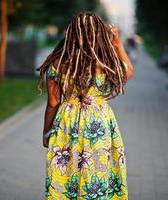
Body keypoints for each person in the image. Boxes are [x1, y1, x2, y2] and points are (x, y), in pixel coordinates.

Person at [37, 12, 134, 199]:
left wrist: (46, 132)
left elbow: (53, 103)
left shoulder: (59, 62)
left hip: (67, 125)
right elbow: (128, 71)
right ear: (100, 34)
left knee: (66, 176)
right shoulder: (106, 62)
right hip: (99, 124)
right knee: (96, 176)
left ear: (71, 34)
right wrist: (118, 44)